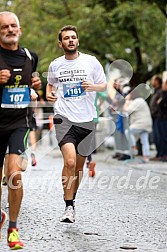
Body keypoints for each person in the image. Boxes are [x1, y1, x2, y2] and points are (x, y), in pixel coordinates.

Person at [46, 25, 107, 223]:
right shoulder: (55, 64)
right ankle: (68, 205)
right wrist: (48, 92)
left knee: (79, 167)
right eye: (66, 38)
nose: (70, 40)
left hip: (87, 120)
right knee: (70, 161)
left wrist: (93, 86)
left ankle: (72, 199)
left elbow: (103, 84)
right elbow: (51, 84)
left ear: (77, 41)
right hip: (64, 118)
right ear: (60, 43)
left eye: (73, 37)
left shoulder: (91, 61)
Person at [0, 11, 41, 249]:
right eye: (4, 27)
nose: (9, 29)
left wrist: (36, 85)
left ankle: (13, 229)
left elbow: (33, 83)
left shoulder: (30, 56)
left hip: (19, 122)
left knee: (14, 174)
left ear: (20, 29)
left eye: (13, 25)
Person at [123, 89, 152, 163]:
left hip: (141, 123)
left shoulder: (137, 101)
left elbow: (127, 110)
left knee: (128, 132)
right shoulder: (140, 100)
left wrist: (126, 102)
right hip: (146, 123)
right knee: (144, 140)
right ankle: (146, 157)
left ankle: (133, 147)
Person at [149, 75, 162, 160]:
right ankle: (158, 154)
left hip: (159, 117)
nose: (152, 82)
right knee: (156, 137)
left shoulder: (161, 91)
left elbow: (159, 104)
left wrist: (154, 111)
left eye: (153, 80)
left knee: (160, 137)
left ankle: (161, 154)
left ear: (157, 81)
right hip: (155, 117)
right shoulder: (156, 91)